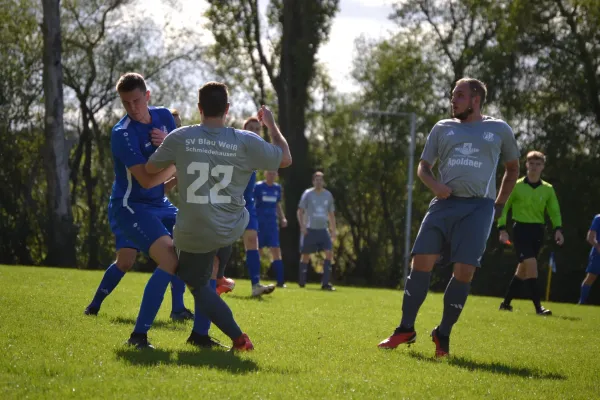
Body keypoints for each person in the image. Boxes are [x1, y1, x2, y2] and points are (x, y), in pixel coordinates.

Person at [128, 81, 292, 349]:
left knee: (192, 281)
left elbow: (151, 168)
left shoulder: (180, 137)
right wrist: (271, 125)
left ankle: (239, 338)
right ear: (227, 109)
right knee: (209, 266)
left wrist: (178, 157)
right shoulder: (245, 140)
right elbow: (285, 159)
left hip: (195, 231)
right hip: (231, 228)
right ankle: (204, 321)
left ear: (199, 108)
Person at [377, 77, 520, 357]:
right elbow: (424, 167)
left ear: (476, 99)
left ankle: (443, 333)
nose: (453, 100)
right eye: (453, 95)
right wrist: (436, 186)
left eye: (460, 95)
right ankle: (405, 328)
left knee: (464, 272)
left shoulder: (499, 129)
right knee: (420, 262)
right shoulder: (442, 128)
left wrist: (498, 205)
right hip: (443, 204)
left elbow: (512, 169)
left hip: (479, 208)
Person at [83, 73, 193, 322]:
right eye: (126, 103)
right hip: (130, 205)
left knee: (186, 243)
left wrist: (172, 148)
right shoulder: (122, 133)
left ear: (148, 96)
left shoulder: (165, 116)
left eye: (137, 101)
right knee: (126, 261)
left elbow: (181, 151)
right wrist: (178, 157)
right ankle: (96, 306)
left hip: (159, 203)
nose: (132, 108)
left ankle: (178, 309)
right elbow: (147, 179)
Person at [216, 117, 276, 297]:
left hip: (248, 204)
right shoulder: (233, 149)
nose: (256, 131)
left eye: (258, 129)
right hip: (229, 203)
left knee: (252, 241)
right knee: (221, 243)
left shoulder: (258, 152)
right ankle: (216, 280)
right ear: (244, 130)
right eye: (252, 128)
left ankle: (256, 285)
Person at [497, 151, 563, 315]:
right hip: (520, 230)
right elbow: (504, 208)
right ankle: (538, 308)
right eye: (531, 163)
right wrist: (502, 229)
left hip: (538, 232)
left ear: (542, 167)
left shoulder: (548, 189)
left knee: (523, 269)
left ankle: (506, 304)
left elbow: (554, 211)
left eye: (538, 164)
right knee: (532, 265)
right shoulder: (516, 186)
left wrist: (558, 229)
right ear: (526, 165)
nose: (534, 167)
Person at [297, 172, 337, 291]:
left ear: (323, 182)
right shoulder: (308, 194)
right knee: (305, 255)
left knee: (329, 253)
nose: (318, 182)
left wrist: (333, 230)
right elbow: (300, 211)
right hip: (310, 229)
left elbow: (331, 214)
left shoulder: (328, 195)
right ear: (313, 181)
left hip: (323, 230)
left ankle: (325, 283)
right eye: (316, 180)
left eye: (321, 180)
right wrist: (302, 226)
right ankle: (302, 281)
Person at [255, 170, 288, 287]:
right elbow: (252, 203)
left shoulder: (277, 188)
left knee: (276, 250)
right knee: (257, 250)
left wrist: (282, 218)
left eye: (274, 173)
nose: (271, 175)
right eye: (269, 173)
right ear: (265, 174)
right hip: (260, 224)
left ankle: (280, 281)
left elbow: (278, 205)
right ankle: (256, 280)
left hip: (272, 225)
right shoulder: (258, 187)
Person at [579, 214, 600, 304]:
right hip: (597, 254)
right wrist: (598, 247)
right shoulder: (598, 218)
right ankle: (582, 303)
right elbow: (590, 237)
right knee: (591, 277)